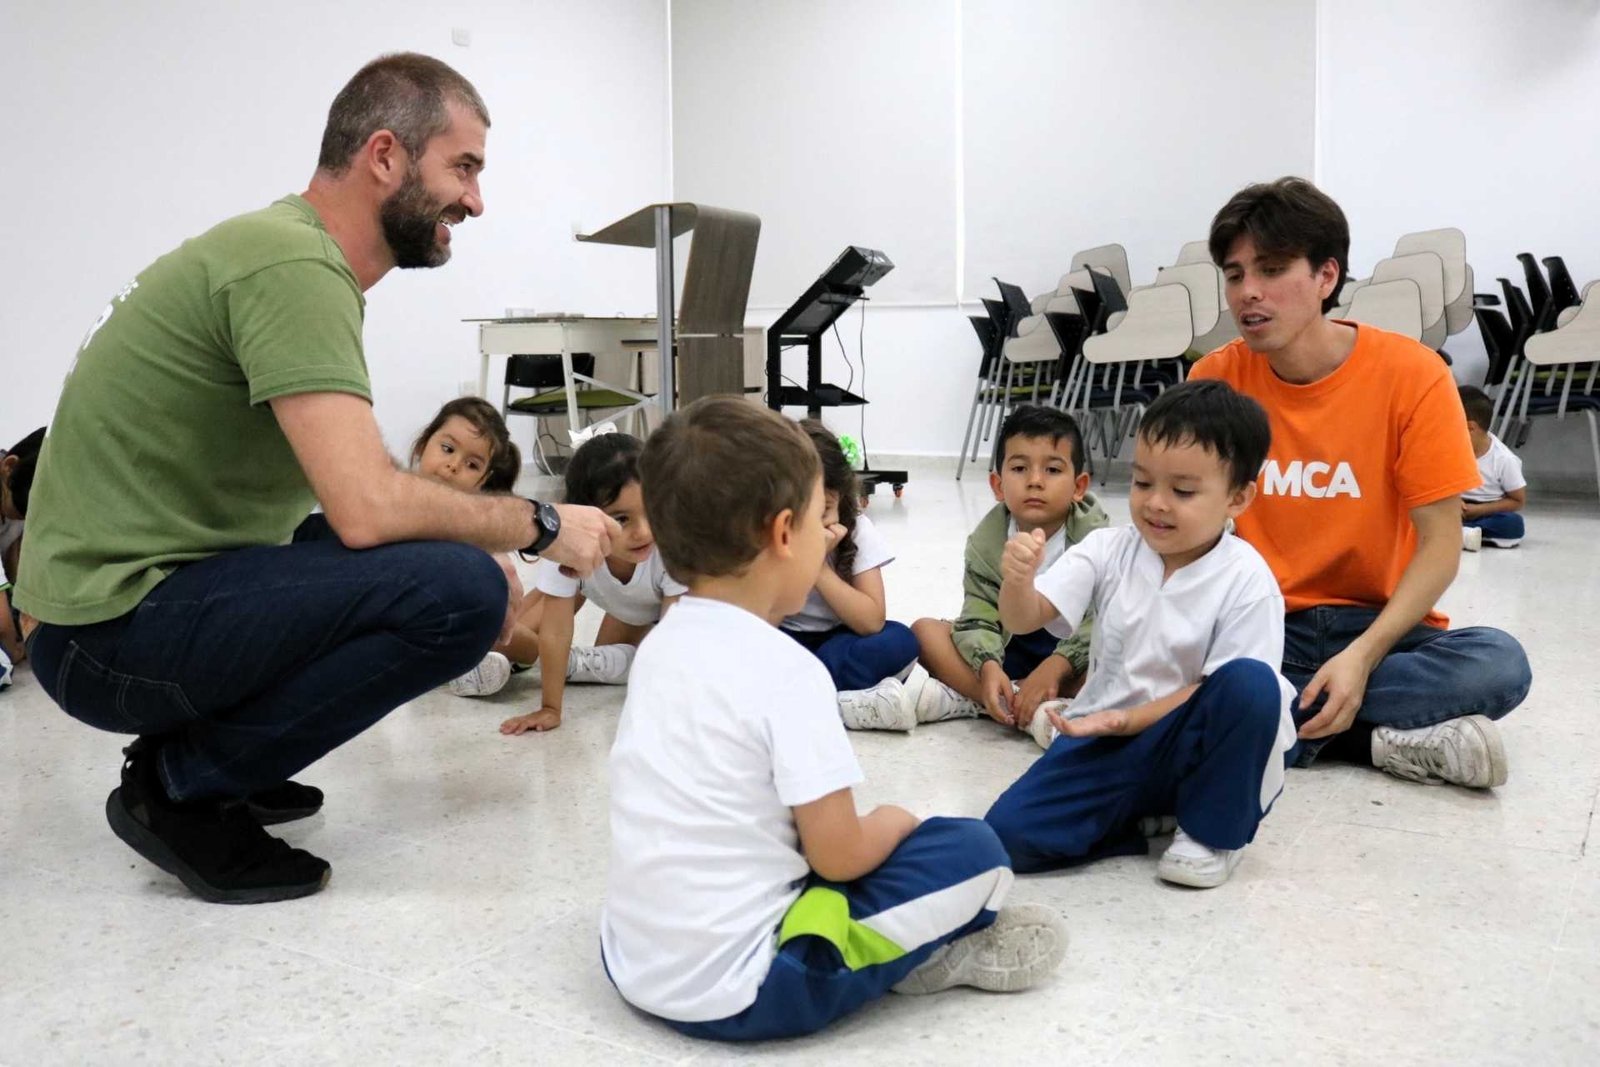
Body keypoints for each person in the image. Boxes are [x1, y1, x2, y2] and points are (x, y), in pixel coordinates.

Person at [13, 53, 618, 905]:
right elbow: (368, 505)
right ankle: (182, 783)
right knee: (460, 593)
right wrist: (541, 523)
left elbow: (346, 502)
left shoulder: (278, 249)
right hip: (99, 637)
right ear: (385, 156)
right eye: (464, 168)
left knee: (397, 551)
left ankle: (233, 755)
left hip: (101, 609)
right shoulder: (293, 268)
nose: (476, 201)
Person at [600, 397, 1068, 1042]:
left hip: (629, 959)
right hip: (749, 987)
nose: (834, 534)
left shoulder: (659, 647)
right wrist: (895, 821)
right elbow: (841, 855)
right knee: (976, 852)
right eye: (822, 522)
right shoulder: (789, 673)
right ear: (784, 533)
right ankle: (911, 957)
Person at [1189, 176, 1531, 788]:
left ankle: (1272, 722)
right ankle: (1375, 742)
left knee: (1500, 664)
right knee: (1177, 667)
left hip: (1381, 626)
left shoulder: (1413, 375)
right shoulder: (1214, 381)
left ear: (1326, 276)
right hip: (1262, 622)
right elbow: (1186, 530)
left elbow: (1441, 544)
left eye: (1271, 269)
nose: (1248, 292)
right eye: (1235, 274)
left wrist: (1363, 657)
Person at [984, 381, 1296, 887]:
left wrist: (1127, 719)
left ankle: (1211, 833)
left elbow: (1220, 693)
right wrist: (1018, 581)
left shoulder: (1247, 580)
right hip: (1107, 740)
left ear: (1238, 497)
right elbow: (1024, 620)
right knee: (1005, 838)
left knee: (1251, 685)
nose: (1156, 504)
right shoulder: (1109, 548)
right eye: (1142, 482)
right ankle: (1139, 816)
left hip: (1184, 739)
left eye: (1183, 491)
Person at [911, 405, 1107, 733]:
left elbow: (1102, 621)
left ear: (1079, 486)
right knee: (925, 632)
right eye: (1019, 468)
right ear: (998, 485)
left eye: (1052, 470)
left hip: (1073, 661)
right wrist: (987, 665)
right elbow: (979, 614)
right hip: (1009, 649)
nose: (1035, 481)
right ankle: (1003, 700)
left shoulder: (1097, 540)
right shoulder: (985, 542)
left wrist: (1057, 665)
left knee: (1121, 662)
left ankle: (997, 700)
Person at [499, 432, 686, 735]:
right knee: (609, 655)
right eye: (621, 519)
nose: (643, 532)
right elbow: (556, 631)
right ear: (581, 517)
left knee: (656, 665)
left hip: (690, 621)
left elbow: (675, 641)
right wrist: (550, 708)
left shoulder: (672, 550)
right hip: (634, 608)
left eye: (652, 510)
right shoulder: (566, 544)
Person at [782, 420, 920, 732]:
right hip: (785, 639)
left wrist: (819, 567)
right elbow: (757, 617)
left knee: (900, 640)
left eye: (823, 511)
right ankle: (838, 700)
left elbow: (871, 622)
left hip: (839, 641)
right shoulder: (771, 532)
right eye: (802, 512)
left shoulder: (858, 530)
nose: (812, 524)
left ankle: (810, 695)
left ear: (841, 499)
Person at [1457, 385, 1526, 550]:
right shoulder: (1444, 450)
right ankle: (1463, 534)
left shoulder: (1504, 459)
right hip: (1451, 507)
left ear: (1470, 428)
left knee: (1513, 524)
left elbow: (1517, 500)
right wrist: (1452, 501)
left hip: (1486, 511)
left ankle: (1461, 534)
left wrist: (1479, 510)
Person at [0, 427, 44, 669]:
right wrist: (15, 648)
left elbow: (17, 564)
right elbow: (2, 624)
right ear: (9, 467)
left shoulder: (16, 494)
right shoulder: (16, 490)